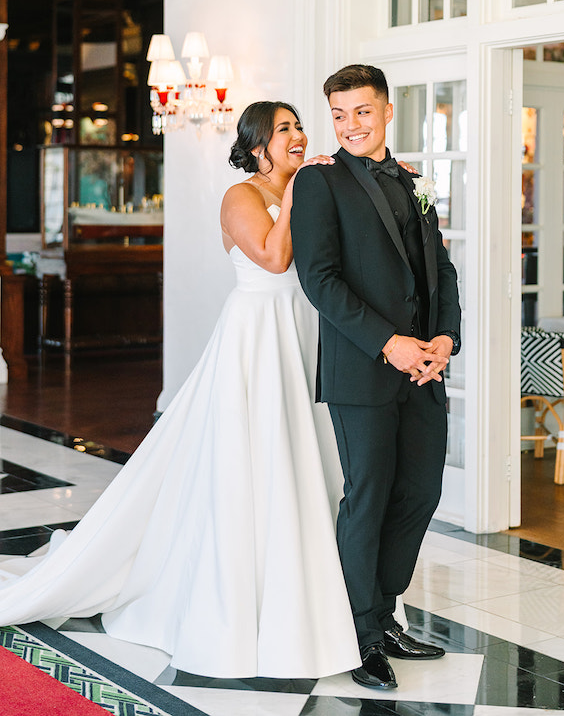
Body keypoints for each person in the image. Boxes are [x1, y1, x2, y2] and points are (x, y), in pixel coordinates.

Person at [0, 101, 361, 680]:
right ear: (258, 145)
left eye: (299, 127)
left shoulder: (310, 187)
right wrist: (299, 192)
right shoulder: (240, 197)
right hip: (255, 335)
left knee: (304, 458)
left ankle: (307, 589)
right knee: (251, 458)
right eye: (285, 130)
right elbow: (272, 258)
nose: (298, 137)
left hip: (301, 330)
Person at [290, 65, 461, 690]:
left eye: (361, 112)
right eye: (338, 115)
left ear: (387, 111)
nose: (350, 125)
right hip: (363, 370)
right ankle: (358, 634)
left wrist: (445, 338)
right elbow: (320, 281)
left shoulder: (414, 181)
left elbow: (440, 271)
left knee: (419, 494)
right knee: (368, 500)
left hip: (425, 371)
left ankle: (384, 614)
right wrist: (388, 343)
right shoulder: (319, 183)